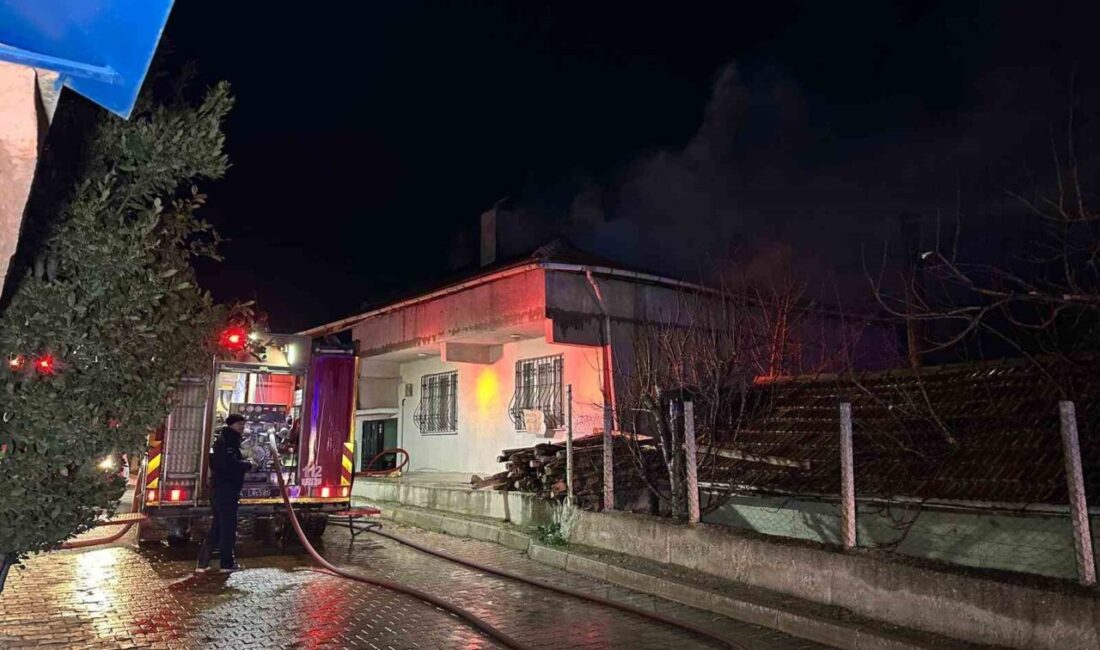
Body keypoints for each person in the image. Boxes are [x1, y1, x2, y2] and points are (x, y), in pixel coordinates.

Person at [196, 414, 253, 573]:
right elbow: (229, 465)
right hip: (226, 490)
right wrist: (248, 465)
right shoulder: (226, 442)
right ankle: (226, 564)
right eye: (239, 424)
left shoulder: (226, 440)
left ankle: (203, 562)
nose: (242, 427)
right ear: (232, 425)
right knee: (228, 527)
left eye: (243, 424)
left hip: (220, 489)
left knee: (218, 526)